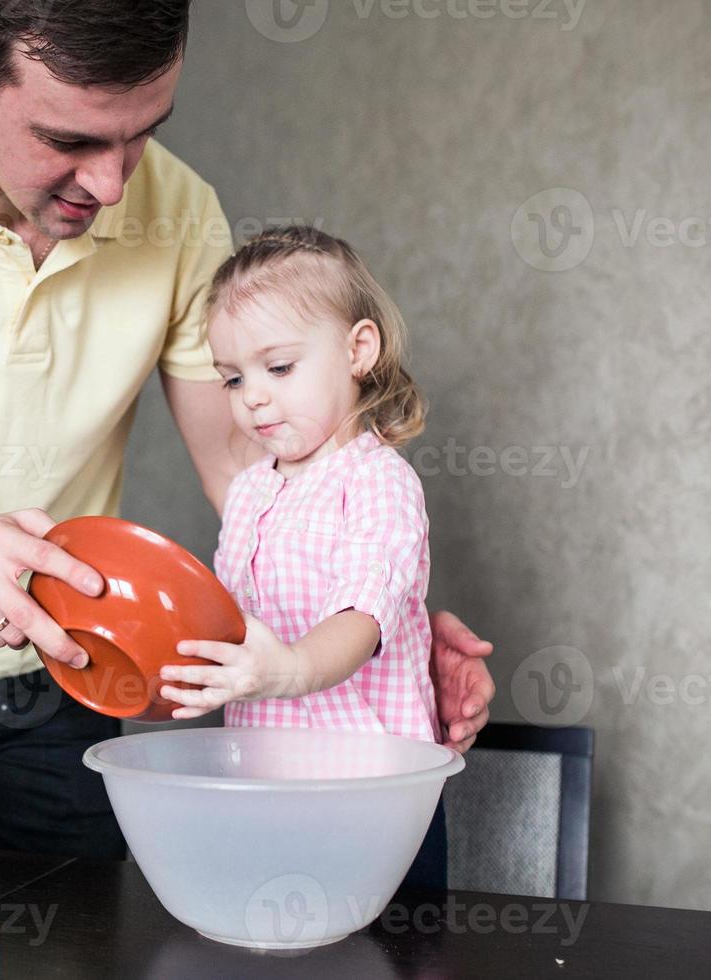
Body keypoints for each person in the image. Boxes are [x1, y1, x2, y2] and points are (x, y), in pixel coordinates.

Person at [0, 0, 493, 860]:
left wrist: (376, 621)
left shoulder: (181, 211)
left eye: (141, 134)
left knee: (71, 949)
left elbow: (256, 475)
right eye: (69, 142)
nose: (111, 187)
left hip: (84, 665)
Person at [161, 228, 449, 883]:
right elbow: (234, 622)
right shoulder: (251, 491)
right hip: (269, 783)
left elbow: (362, 614)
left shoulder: (377, 482)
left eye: (279, 367)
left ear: (358, 350)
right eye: (232, 378)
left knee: (388, 949)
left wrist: (290, 668)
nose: (252, 395)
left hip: (373, 796)